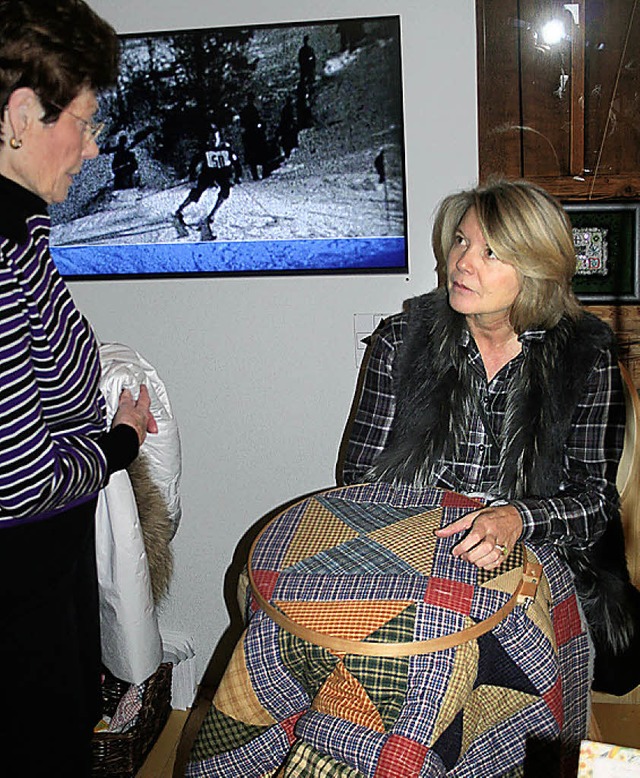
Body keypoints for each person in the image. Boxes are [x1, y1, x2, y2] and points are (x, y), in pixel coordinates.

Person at [338, 178, 639, 769]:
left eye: (489, 252)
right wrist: (429, 529)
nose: (460, 262)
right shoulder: (401, 341)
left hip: (539, 549)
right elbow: (358, 476)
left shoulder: (586, 356)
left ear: (536, 267)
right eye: (459, 242)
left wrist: (514, 518)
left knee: (470, 665)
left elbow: (595, 500)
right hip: (417, 543)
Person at [0, 2, 157, 775]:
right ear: (23, 114)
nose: (94, 148)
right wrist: (120, 443)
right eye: (86, 121)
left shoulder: (20, 234)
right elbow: (20, 480)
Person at [174, 123, 241, 240]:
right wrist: (192, 174)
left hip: (222, 173)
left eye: (215, 138)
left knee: (225, 192)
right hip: (208, 172)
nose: (213, 141)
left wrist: (237, 175)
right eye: (211, 138)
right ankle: (180, 209)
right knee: (198, 192)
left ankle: (212, 214)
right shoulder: (206, 149)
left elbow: (235, 162)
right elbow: (196, 160)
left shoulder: (226, 148)